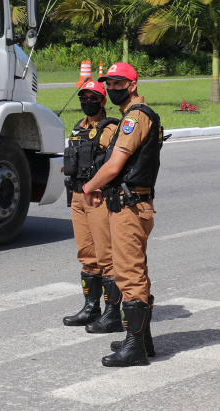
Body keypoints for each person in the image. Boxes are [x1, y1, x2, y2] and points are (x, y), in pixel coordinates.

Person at [81, 62, 163, 367]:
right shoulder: (135, 115)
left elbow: (115, 165)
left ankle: (135, 347)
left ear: (133, 84)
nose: (113, 88)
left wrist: (90, 186)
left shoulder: (136, 117)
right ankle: (143, 340)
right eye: (110, 84)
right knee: (131, 270)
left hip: (131, 207)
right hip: (127, 202)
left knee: (129, 274)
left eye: (119, 83)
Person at [61, 80, 120, 330]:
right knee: (87, 254)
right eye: (83, 98)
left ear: (103, 100)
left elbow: (113, 165)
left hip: (97, 197)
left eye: (93, 98)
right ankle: (90, 308)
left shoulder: (110, 129)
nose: (87, 102)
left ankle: (113, 313)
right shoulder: (78, 128)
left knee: (106, 256)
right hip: (77, 196)